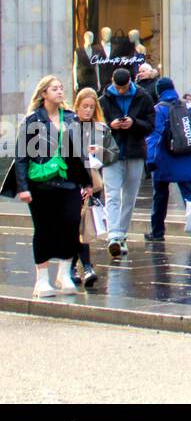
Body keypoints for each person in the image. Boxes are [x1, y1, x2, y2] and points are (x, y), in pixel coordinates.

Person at [15, 77, 93, 297]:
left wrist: (87, 182)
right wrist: (23, 187)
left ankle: (64, 274)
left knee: (70, 226)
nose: (60, 92)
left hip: (68, 182)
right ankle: (41, 280)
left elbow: (79, 154)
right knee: (44, 230)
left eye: (61, 88)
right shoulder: (32, 120)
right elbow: (21, 156)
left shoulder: (70, 118)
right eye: (54, 89)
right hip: (41, 185)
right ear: (44, 94)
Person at [99, 66, 155, 258]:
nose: (121, 91)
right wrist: (111, 126)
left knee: (129, 197)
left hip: (135, 151)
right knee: (112, 194)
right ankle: (114, 235)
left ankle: (120, 234)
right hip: (111, 152)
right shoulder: (104, 99)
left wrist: (134, 123)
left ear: (130, 81)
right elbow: (98, 125)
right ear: (113, 83)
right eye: (117, 87)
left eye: (124, 87)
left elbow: (150, 125)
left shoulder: (143, 96)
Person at [143, 78, 191, 244]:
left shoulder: (159, 110)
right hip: (188, 158)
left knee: (160, 196)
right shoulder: (188, 107)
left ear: (159, 91)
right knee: (190, 197)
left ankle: (157, 232)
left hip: (165, 159)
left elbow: (154, 136)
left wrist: (150, 159)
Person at [69, 87, 109, 288]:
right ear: (77, 106)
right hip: (75, 182)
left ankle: (79, 267)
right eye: (85, 106)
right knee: (76, 226)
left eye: (91, 107)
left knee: (84, 226)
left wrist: (101, 150)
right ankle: (82, 266)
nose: (88, 111)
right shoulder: (70, 126)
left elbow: (113, 154)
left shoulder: (99, 128)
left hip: (94, 182)